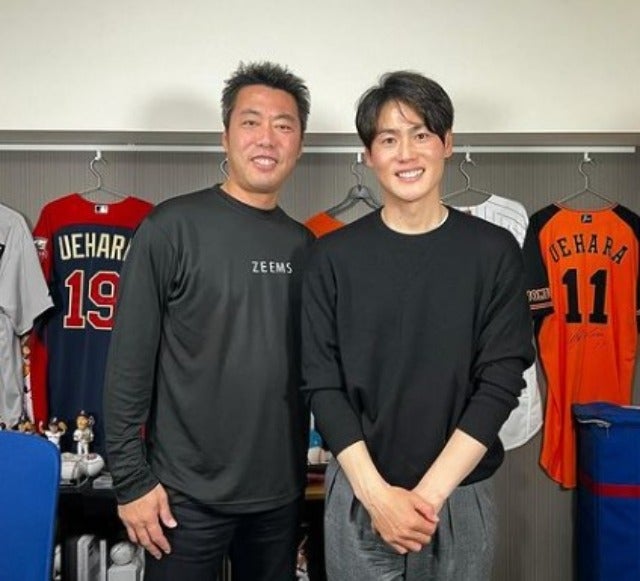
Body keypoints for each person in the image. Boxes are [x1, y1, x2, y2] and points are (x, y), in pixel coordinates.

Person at [301, 71, 535, 580]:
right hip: (361, 491)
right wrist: (377, 498)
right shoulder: (331, 257)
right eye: (388, 139)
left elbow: (500, 381)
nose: (406, 153)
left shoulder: (493, 251)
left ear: (447, 143)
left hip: (459, 493)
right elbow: (321, 382)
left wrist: (427, 497)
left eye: (421, 134)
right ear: (369, 154)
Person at [103, 61, 314, 580]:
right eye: (251, 122)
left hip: (278, 497)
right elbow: (128, 364)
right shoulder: (171, 227)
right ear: (225, 137)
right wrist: (131, 481)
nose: (267, 138)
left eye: (283, 125)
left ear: (299, 144)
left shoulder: (306, 246)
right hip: (180, 498)